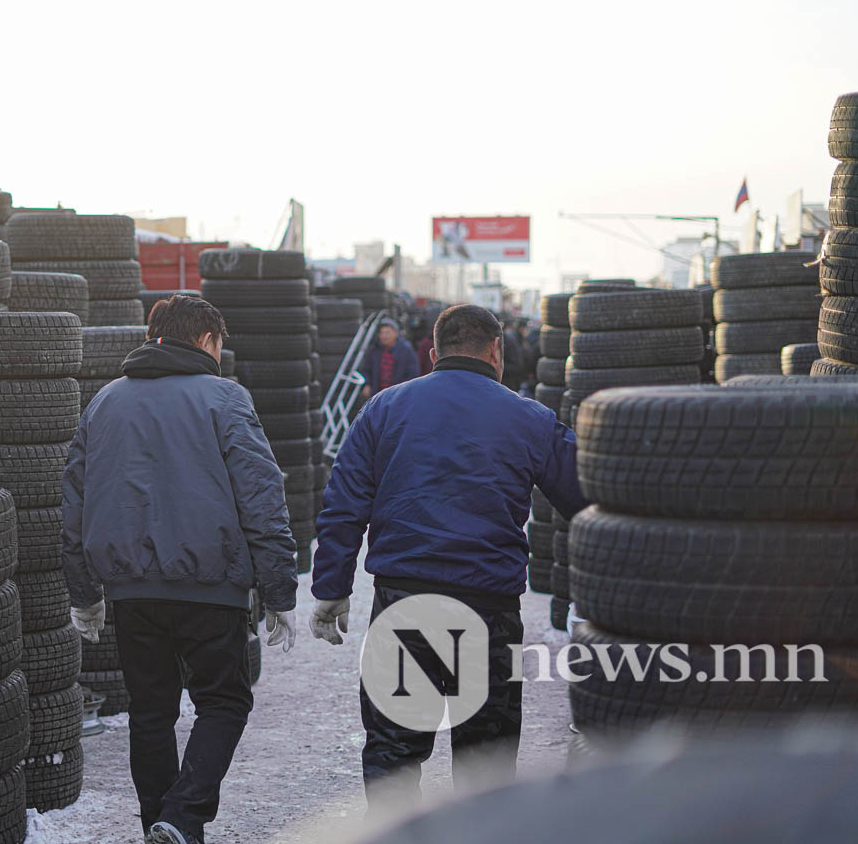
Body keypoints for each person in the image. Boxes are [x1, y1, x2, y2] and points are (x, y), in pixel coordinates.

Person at [309, 304, 588, 801]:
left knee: (394, 754)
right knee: (486, 763)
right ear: (496, 350)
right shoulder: (529, 417)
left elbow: (343, 503)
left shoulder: (383, 409)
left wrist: (332, 589)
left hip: (404, 605)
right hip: (487, 611)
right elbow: (586, 502)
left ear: (434, 353)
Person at [61, 294, 299, 844]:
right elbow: (262, 498)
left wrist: (84, 592)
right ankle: (183, 816)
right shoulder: (225, 398)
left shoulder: (104, 402)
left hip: (130, 592)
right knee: (225, 700)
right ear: (208, 341)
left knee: (150, 713)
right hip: (210, 588)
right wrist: (280, 589)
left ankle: (158, 825)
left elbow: (73, 501)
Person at [357, 318, 419, 399]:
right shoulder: (374, 350)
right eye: (381, 333)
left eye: (387, 333)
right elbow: (365, 370)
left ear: (396, 333)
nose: (384, 336)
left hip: (398, 395)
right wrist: (367, 384)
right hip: (377, 395)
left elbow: (413, 374)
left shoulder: (406, 350)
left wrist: (402, 391)